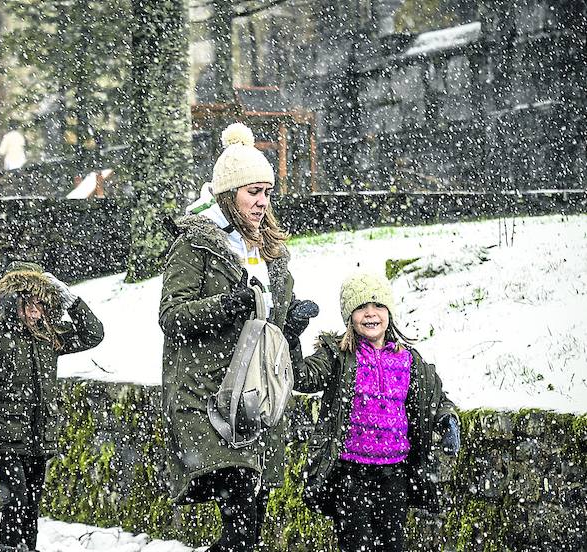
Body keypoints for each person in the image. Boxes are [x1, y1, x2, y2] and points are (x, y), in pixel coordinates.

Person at [159, 122, 317, 552]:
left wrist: (293, 325)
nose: (262, 202)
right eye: (252, 192)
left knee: (249, 520)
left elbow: (274, 327)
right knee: (240, 501)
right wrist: (227, 306)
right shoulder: (197, 244)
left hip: (257, 397)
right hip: (206, 393)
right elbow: (171, 316)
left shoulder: (272, 252)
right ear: (228, 195)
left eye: (267, 192)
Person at [293, 271, 461, 552]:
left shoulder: (408, 359)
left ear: (389, 312)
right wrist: (291, 335)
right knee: (357, 545)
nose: (371, 314)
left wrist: (446, 418)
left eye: (378, 306)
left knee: (392, 545)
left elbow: (435, 397)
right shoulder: (338, 356)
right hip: (350, 474)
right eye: (361, 307)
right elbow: (300, 376)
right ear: (349, 316)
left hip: (394, 474)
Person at [0, 261, 104, 552]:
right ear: (12, 302)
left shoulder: (48, 335)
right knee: (16, 500)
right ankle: (10, 547)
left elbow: (92, 334)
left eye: (41, 304)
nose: (35, 312)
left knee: (31, 505)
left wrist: (71, 300)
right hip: (5, 437)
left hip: (38, 437)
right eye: (28, 304)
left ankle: (26, 547)